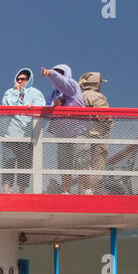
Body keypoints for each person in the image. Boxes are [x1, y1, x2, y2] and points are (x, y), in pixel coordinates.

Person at [41, 64, 87, 194]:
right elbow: (46, 113)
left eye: (60, 73)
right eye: (56, 73)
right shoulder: (53, 95)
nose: (57, 76)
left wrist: (50, 73)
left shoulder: (73, 86)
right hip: (62, 135)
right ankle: (66, 191)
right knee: (64, 164)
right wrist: (54, 106)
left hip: (79, 131)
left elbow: (61, 82)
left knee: (82, 161)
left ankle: (86, 190)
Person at [1, 68, 45, 193]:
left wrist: (33, 107)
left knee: (24, 165)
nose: (20, 81)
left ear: (28, 80)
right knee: (8, 163)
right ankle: (6, 192)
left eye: (23, 79)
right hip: (9, 137)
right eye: (18, 79)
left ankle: (21, 193)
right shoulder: (9, 92)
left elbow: (42, 106)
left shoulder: (35, 93)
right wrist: (16, 92)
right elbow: (7, 106)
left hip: (26, 138)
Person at [79, 71, 114, 194]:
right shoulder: (97, 97)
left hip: (82, 135)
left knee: (83, 164)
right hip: (98, 135)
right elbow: (106, 117)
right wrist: (109, 124)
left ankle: (83, 189)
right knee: (97, 164)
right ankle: (92, 191)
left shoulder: (79, 96)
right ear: (97, 84)